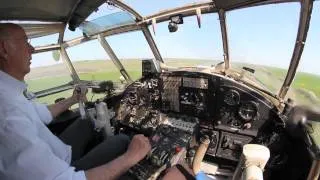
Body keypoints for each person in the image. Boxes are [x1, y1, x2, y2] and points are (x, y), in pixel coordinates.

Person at [0, 23, 151, 180]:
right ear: (4, 49)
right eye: (25, 42)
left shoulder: (9, 94)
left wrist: (73, 99)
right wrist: (130, 157)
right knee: (122, 141)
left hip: (54, 153)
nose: (32, 49)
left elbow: (42, 113)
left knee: (86, 122)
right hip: (62, 172)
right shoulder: (7, 114)